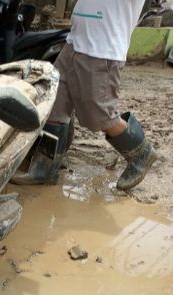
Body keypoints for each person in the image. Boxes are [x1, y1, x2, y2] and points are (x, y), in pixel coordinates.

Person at [12, 0, 157, 189]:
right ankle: (45, 169)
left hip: (102, 50)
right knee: (53, 104)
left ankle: (141, 154)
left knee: (100, 116)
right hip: (75, 43)